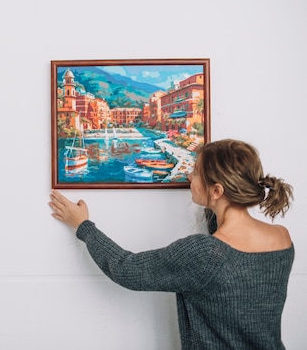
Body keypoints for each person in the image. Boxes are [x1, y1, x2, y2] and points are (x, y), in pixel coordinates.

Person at [48, 139, 294, 349]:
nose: (189, 175)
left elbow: (126, 268)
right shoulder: (281, 238)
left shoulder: (205, 253)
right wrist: (214, 207)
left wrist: (83, 226)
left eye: (196, 171)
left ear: (217, 190)